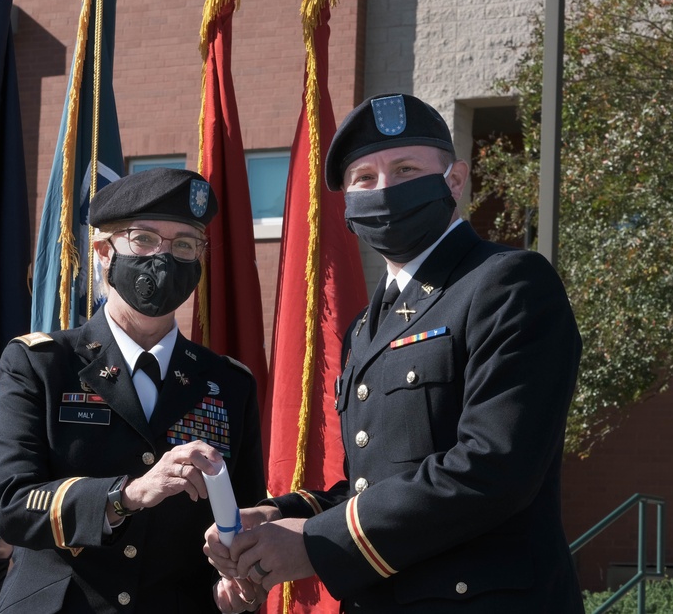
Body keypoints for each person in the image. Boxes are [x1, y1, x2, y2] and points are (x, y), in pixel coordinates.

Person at [205, 94, 584, 612]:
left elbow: (494, 467)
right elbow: (377, 479)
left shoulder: (507, 283)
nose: (384, 190)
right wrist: (281, 516)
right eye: (364, 178)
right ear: (347, 204)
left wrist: (317, 544)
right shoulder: (367, 324)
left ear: (454, 180)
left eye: (406, 169)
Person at [0, 167, 266, 613]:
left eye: (184, 244)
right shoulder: (43, 364)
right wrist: (126, 495)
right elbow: (11, 503)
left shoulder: (229, 383)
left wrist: (233, 582)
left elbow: (241, 518)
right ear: (102, 251)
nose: (164, 257)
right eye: (144, 239)